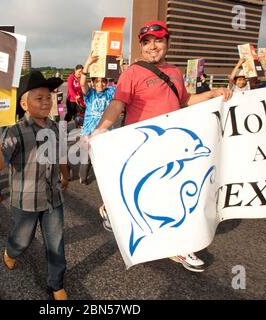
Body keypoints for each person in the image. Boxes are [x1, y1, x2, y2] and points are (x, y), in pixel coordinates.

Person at [94, 20, 232, 273]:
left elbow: (186, 100)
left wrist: (212, 94)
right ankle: (112, 211)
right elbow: (117, 104)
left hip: (172, 145)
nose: (152, 46)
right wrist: (102, 128)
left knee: (174, 194)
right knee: (134, 189)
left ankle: (180, 246)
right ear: (141, 46)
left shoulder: (176, 73)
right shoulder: (132, 72)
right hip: (142, 144)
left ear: (167, 42)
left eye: (158, 40)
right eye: (146, 42)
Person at [0, 71, 70, 300]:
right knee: (22, 240)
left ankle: (56, 284)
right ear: (24, 103)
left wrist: (65, 176)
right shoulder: (16, 130)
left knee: (56, 243)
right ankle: (11, 251)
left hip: (53, 199)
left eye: (48, 97)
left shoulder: (56, 126)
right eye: (39, 98)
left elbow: (61, 155)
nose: (46, 102)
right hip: (25, 201)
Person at [78, 52, 124, 232]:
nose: (100, 84)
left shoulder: (111, 92)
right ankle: (83, 175)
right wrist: (88, 63)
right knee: (85, 159)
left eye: (103, 81)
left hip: (105, 132)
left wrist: (121, 65)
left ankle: (104, 188)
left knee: (104, 163)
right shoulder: (89, 94)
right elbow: (82, 83)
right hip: (89, 132)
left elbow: (122, 83)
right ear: (93, 82)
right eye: (96, 81)